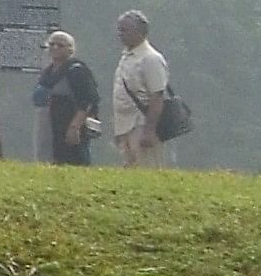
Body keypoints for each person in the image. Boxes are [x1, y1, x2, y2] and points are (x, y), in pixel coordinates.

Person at [112, 10, 176, 168]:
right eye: (119, 30)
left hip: (141, 124)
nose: (120, 34)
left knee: (146, 168)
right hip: (125, 126)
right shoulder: (127, 57)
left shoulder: (150, 58)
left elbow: (157, 96)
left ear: (140, 32)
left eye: (124, 30)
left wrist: (149, 131)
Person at [35, 27, 103, 167]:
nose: (54, 48)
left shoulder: (77, 71)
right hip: (49, 125)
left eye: (60, 45)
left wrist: (75, 127)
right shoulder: (47, 73)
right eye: (51, 44)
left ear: (71, 49)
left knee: (74, 160)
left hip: (69, 124)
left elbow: (87, 101)